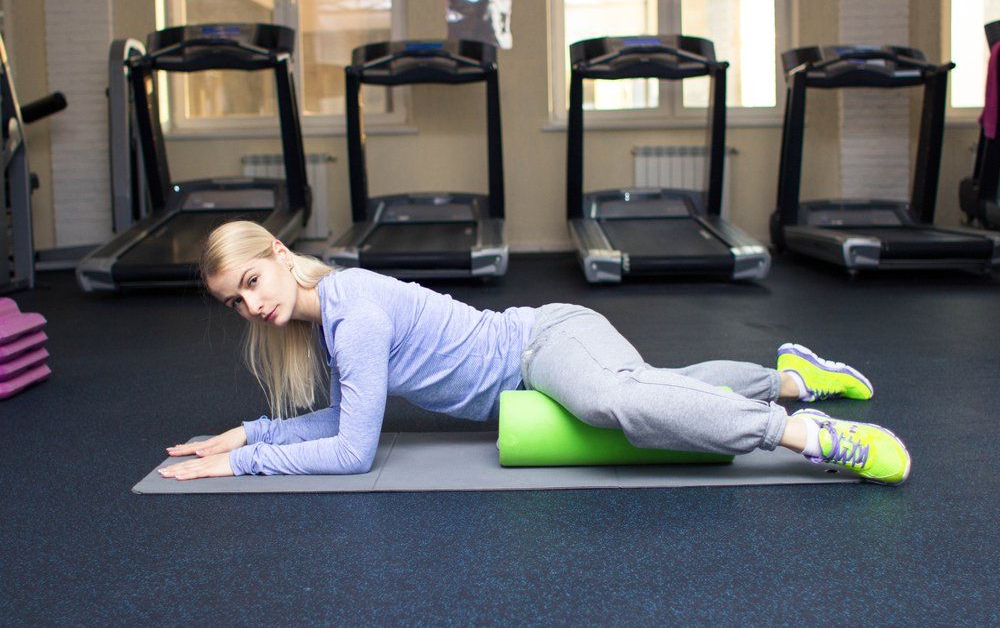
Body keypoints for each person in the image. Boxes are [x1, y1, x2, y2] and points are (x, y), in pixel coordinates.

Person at [160, 221, 911, 485]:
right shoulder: (331, 317)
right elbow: (342, 415)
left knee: (618, 402)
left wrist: (248, 462)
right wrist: (250, 433)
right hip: (530, 361)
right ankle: (788, 377)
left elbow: (354, 449)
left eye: (253, 281)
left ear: (283, 255)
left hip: (540, 341)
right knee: (655, 386)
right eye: (237, 300)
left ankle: (813, 436)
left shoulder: (351, 311)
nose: (252, 305)